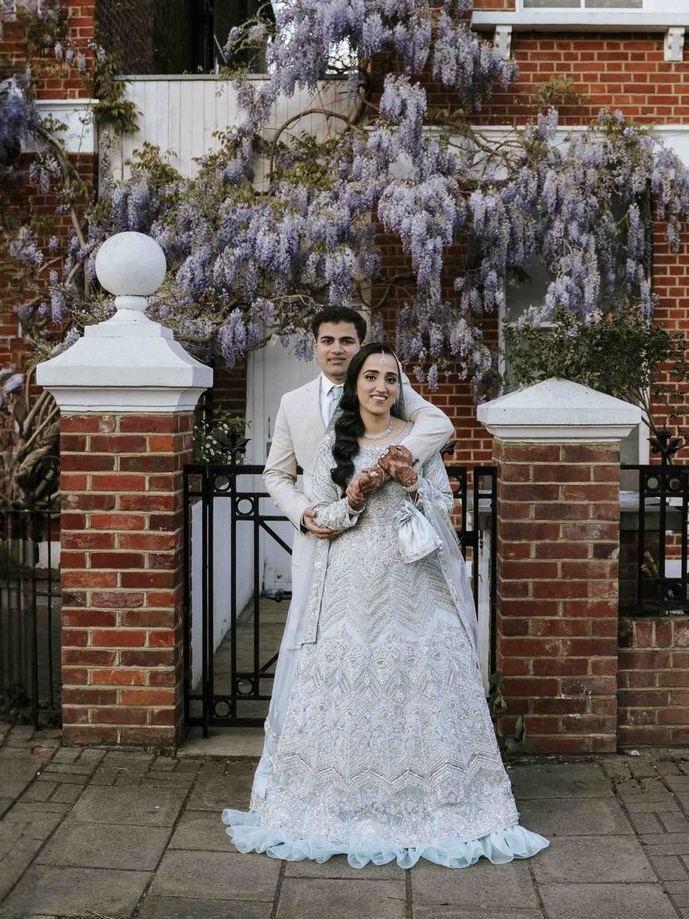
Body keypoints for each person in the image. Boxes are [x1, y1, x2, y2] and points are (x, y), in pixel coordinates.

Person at [225, 343, 548, 869]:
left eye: (391, 379)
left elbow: (443, 510)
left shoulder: (416, 440)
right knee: (349, 688)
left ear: (400, 388)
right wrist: (353, 498)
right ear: (354, 385)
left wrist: (411, 482)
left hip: (415, 581)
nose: (381, 387)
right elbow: (322, 518)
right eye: (371, 377)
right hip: (349, 584)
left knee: (422, 684)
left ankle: (439, 806)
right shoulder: (333, 445)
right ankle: (340, 805)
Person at [258, 307, 455, 781]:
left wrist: (401, 466)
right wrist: (306, 513)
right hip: (329, 548)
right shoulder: (294, 403)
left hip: (404, 566)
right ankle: (321, 765)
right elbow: (277, 474)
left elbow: (440, 429)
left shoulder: (395, 393)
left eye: (347, 341)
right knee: (319, 657)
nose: (337, 349)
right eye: (328, 340)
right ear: (315, 346)